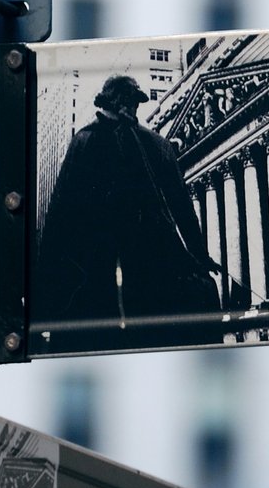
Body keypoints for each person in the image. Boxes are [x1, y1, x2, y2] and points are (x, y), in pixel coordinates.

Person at [34, 74, 224, 327]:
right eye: (128, 100)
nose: (132, 107)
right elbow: (61, 210)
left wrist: (199, 254)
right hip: (105, 259)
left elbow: (181, 205)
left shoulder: (151, 144)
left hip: (137, 256)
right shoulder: (90, 140)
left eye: (134, 101)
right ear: (113, 102)